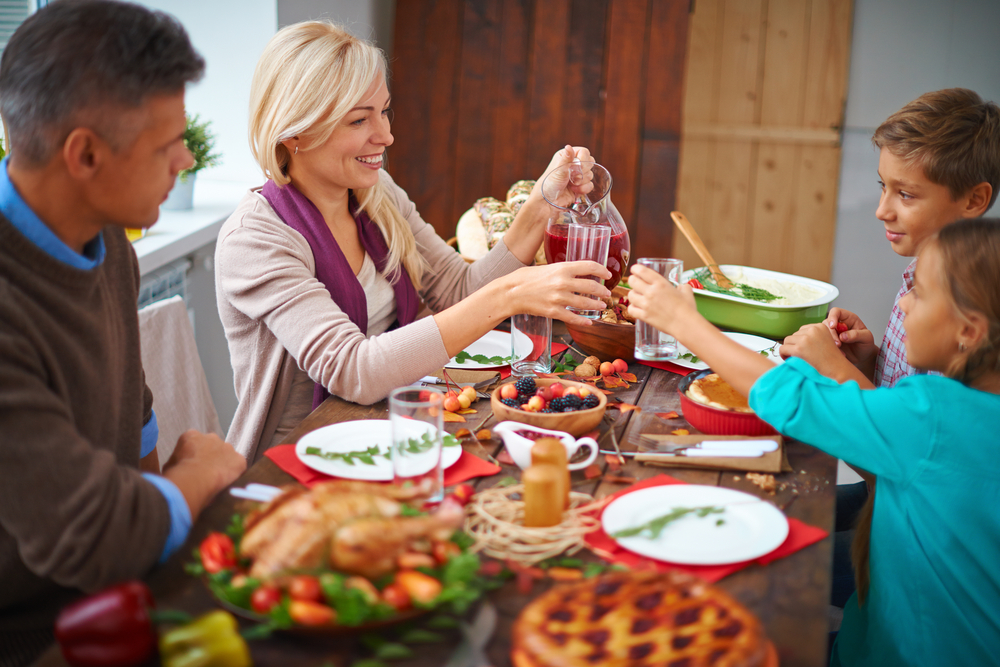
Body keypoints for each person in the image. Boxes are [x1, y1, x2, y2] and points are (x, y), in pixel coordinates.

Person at [216, 21, 611, 461]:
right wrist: (510, 295)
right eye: (359, 119)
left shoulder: (374, 194)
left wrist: (541, 203)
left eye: (384, 111)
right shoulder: (255, 240)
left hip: (392, 428)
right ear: (296, 133)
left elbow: (458, 291)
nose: (385, 136)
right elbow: (355, 370)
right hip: (296, 461)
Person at [628, 218, 1000, 666]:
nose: (902, 303)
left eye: (918, 291)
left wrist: (684, 322)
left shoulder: (932, 416)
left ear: (970, 331)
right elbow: (887, 455)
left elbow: (787, 395)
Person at [0, 3, 246, 664]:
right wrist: (201, 471)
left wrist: (160, 548)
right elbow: (97, 533)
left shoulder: (107, 236)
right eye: (168, 144)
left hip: (120, 597)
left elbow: (133, 420)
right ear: (84, 154)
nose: (186, 158)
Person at [779, 88, 1000, 607]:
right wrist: (870, 361)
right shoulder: (918, 275)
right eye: (884, 187)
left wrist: (834, 369)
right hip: (889, 490)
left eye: (906, 194)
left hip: (921, 524)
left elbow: (904, 455)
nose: (881, 210)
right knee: (776, 508)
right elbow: (908, 398)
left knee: (782, 560)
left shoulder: (972, 312)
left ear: (973, 200)